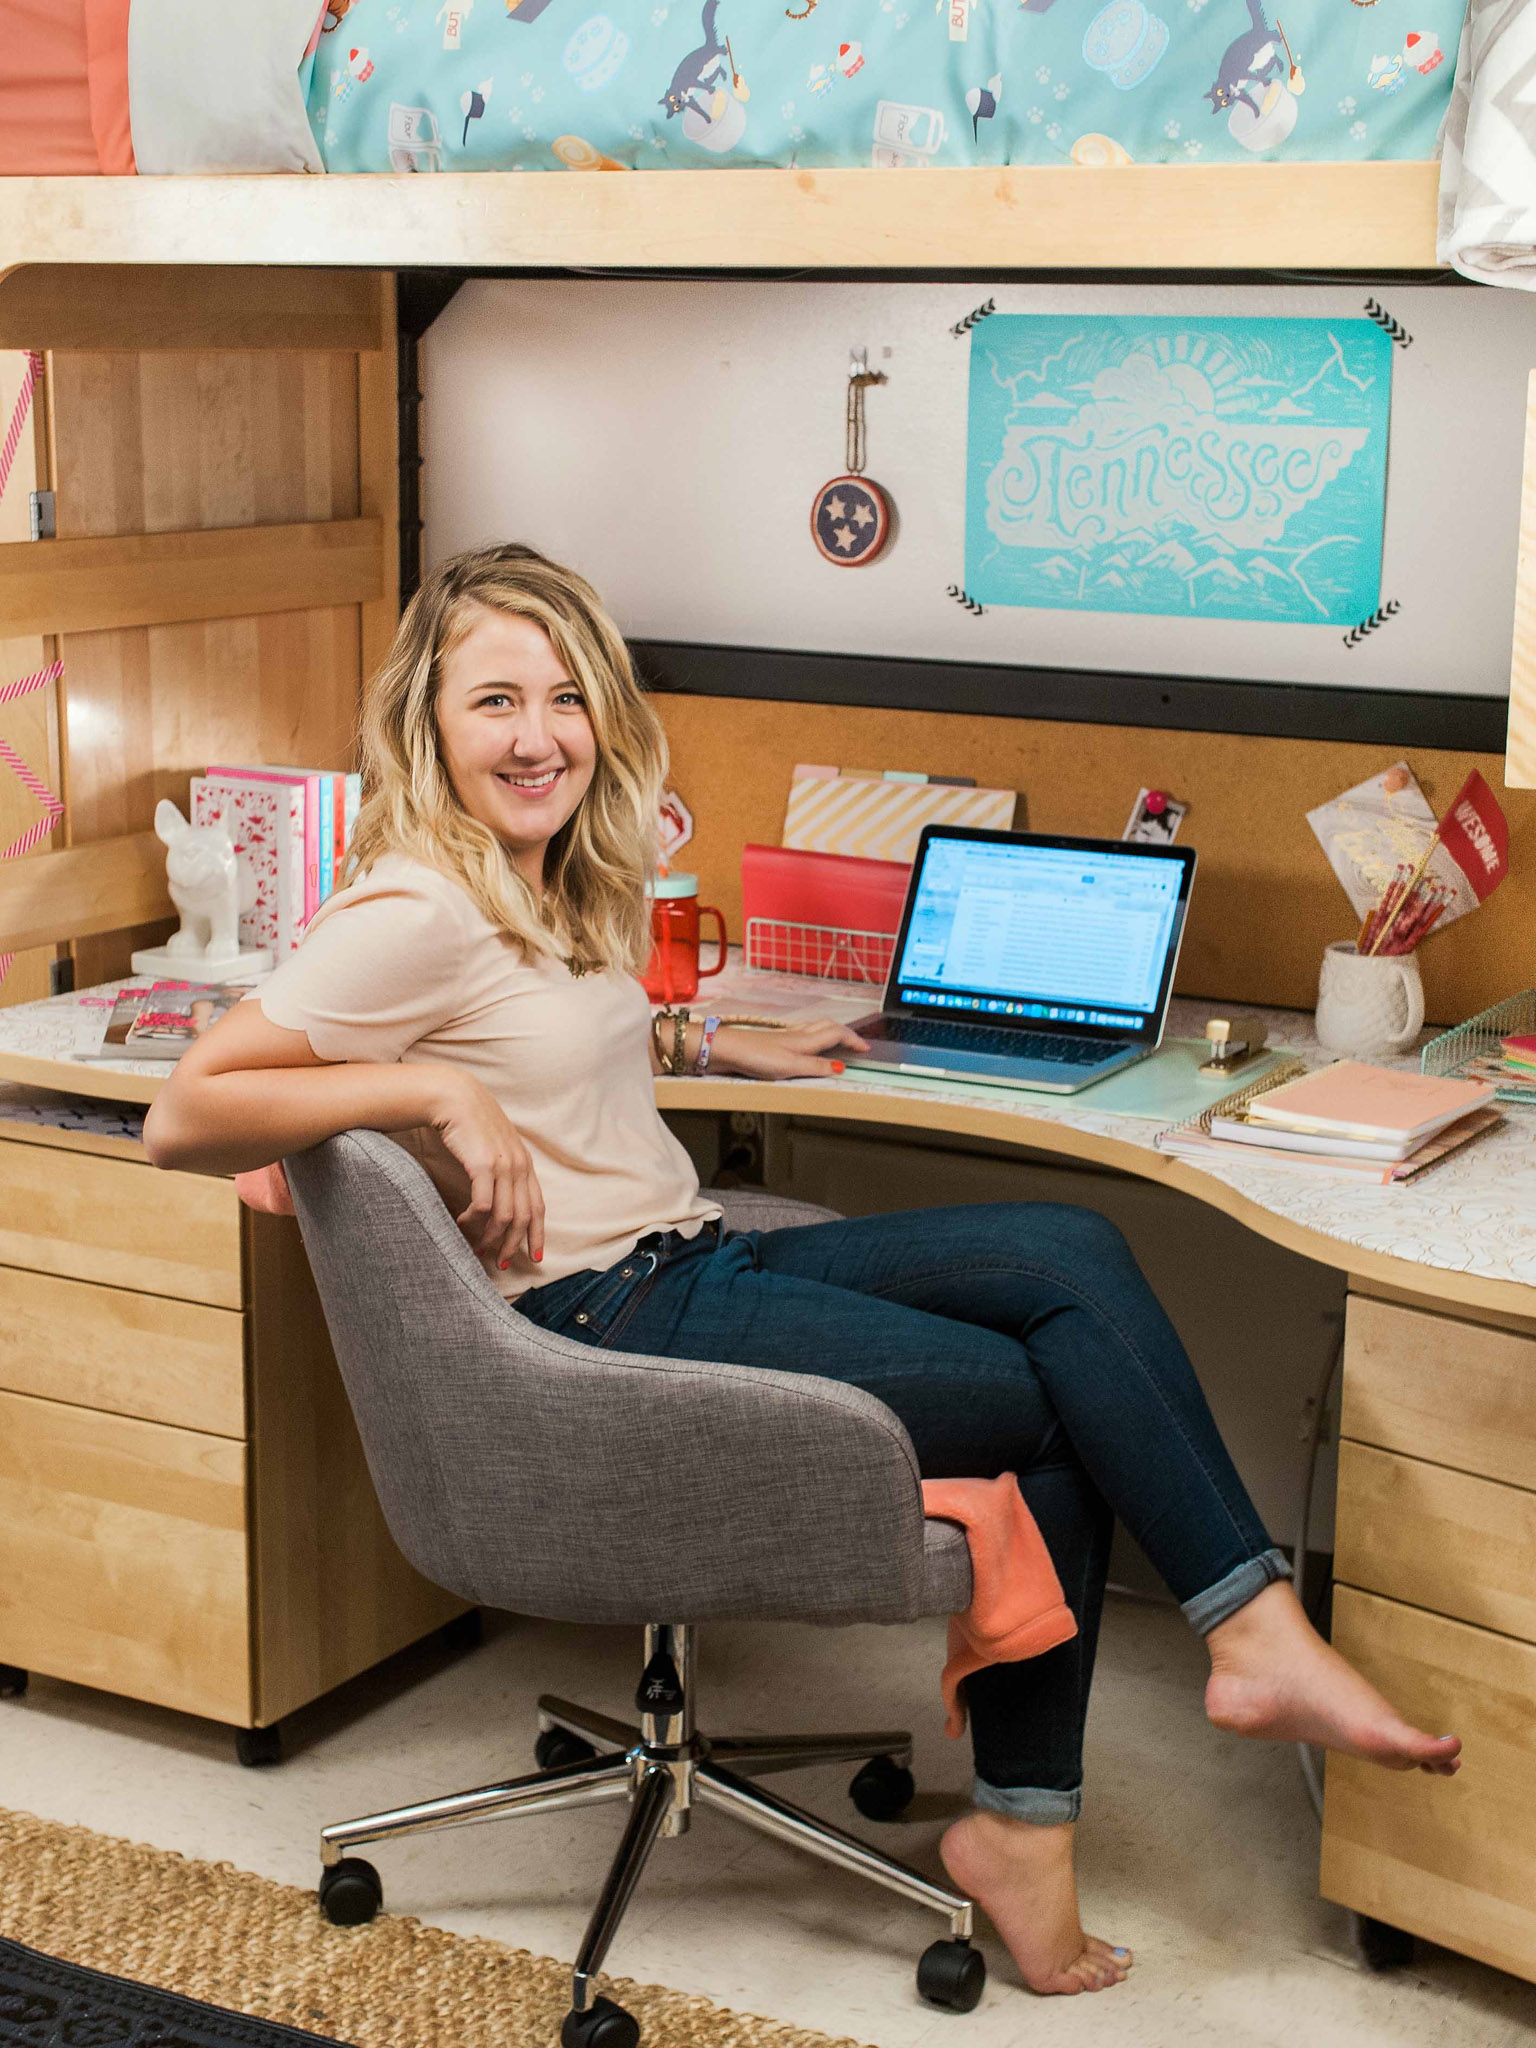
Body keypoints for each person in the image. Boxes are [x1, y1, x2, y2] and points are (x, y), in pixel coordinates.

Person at [144, 543, 1461, 1999]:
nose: (538, 737)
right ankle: (1069, 1794)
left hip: (680, 1259)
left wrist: (709, 1041)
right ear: (426, 723)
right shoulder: (415, 908)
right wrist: (430, 1095)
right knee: (1062, 1397)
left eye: (568, 698)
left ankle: (1232, 1644)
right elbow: (185, 1112)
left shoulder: (540, 877)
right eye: (495, 701)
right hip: (600, 1324)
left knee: (1074, 1250)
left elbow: (528, 1038)